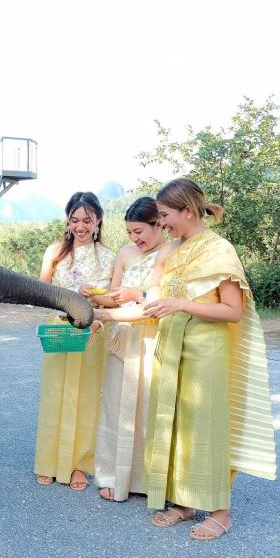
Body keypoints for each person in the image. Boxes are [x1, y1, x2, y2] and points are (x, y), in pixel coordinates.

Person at [140, 178, 276, 541]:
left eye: (166, 215)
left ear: (188, 210)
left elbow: (233, 311)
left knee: (206, 427)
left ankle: (221, 511)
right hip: (171, 344)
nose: (162, 223)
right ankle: (184, 502)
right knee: (175, 423)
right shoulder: (171, 250)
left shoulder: (219, 249)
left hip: (207, 350)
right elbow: (156, 296)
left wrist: (182, 305)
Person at [33, 192, 115, 490]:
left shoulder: (108, 256)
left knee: (87, 396)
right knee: (55, 393)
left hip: (92, 331)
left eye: (87, 220)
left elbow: (111, 299)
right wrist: (68, 297)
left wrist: (92, 297)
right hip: (58, 327)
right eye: (75, 219)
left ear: (98, 221)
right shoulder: (55, 251)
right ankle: (48, 461)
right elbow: (40, 291)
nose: (80, 226)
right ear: (68, 220)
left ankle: (80, 466)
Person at [90, 197, 167, 502]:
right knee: (114, 407)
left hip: (151, 336)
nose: (135, 238)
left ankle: (150, 479)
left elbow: (158, 299)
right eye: (130, 232)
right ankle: (113, 475)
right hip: (122, 336)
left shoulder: (170, 253)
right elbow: (113, 298)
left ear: (159, 224)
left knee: (148, 407)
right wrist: (96, 297)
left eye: (139, 231)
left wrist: (139, 294)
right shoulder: (124, 254)